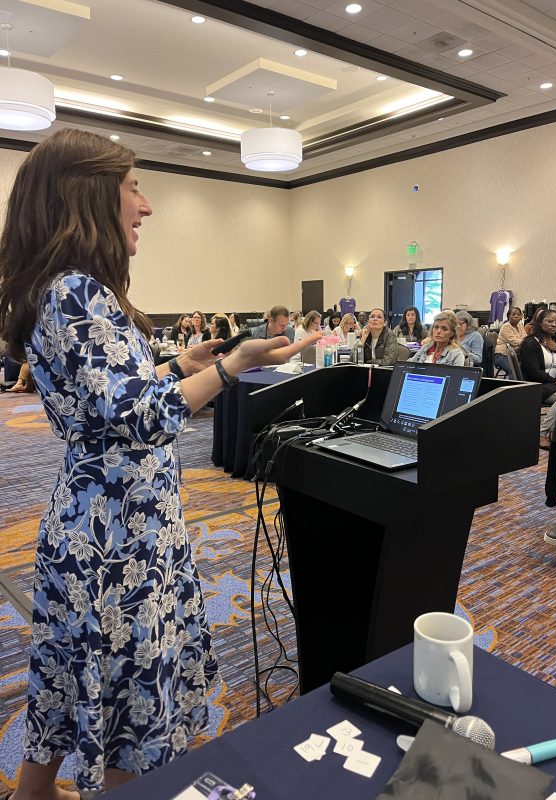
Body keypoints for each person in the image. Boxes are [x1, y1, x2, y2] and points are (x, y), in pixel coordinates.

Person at [0, 128, 321, 797]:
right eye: (134, 187)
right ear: (88, 194)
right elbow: (142, 419)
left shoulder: (58, 289)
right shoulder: (77, 292)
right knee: (127, 680)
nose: (144, 206)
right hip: (118, 532)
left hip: (96, 520)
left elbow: (108, 398)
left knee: (72, 663)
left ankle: (30, 792)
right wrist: (235, 365)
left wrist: (182, 364)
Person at [520, 309, 556, 449]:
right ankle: (542, 433)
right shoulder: (530, 343)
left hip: (553, 385)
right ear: (540, 322)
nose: (553, 324)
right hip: (536, 386)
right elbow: (534, 372)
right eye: (549, 321)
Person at [494, 307, 527, 374]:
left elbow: (525, 338)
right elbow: (514, 342)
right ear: (508, 316)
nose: (516, 316)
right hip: (502, 354)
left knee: (528, 367)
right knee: (513, 370)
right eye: (513, 314)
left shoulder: (520, 325)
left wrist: (526, 342)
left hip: (516, 354)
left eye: (518, 314)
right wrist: (526, 342)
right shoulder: (506, 326)